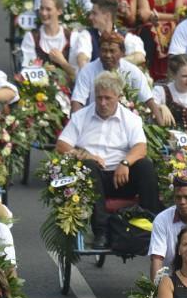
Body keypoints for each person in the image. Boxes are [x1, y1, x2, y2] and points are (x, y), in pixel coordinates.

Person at [57, 71, 162, 249]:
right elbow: (61, 145)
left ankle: (151, 223)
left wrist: (126, 163)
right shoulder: (81, 117)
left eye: (108, 98)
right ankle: (102, 231)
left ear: (118, 97)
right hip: (92, 176)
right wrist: (86, 156)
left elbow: (140, 148)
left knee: (145, 166)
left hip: (122, 176)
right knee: (88, 167)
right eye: (99, 98)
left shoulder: (131, 119)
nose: (103, 103)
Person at [70, 32, 162, 123]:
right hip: (93, 122)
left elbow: (148, 100)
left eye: (112, 51)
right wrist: (76, 126)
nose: (108, 55)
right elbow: (77, 101)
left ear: (122, 53)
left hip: (126, 124)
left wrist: (162, 129)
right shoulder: (87, 70)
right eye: (104, 50)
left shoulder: (132, 71)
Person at [137, 0, 187, 80]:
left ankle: (177, 72)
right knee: (148, 30)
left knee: (177, 29)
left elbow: (178, 14)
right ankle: (146, 73)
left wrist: (157, 16)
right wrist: (168, 17)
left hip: (174, 27)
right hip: (152, 28)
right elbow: (144, 14)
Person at [20, 0, 91, 78]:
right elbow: (28, 69)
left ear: (59, 11)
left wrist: (62, 62)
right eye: (41, 9)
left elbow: (77, 75)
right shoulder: (31, 37)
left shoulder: (73, 37)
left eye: (48, 9)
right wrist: (43, 70)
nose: (43, 13)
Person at [79, 0, 145, 65]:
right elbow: (82, 59)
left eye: (94, 13)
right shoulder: (87, 35)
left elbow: (140, 57)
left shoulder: (126, 37)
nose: (90, 17)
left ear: (107, 16)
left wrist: (113, 66)